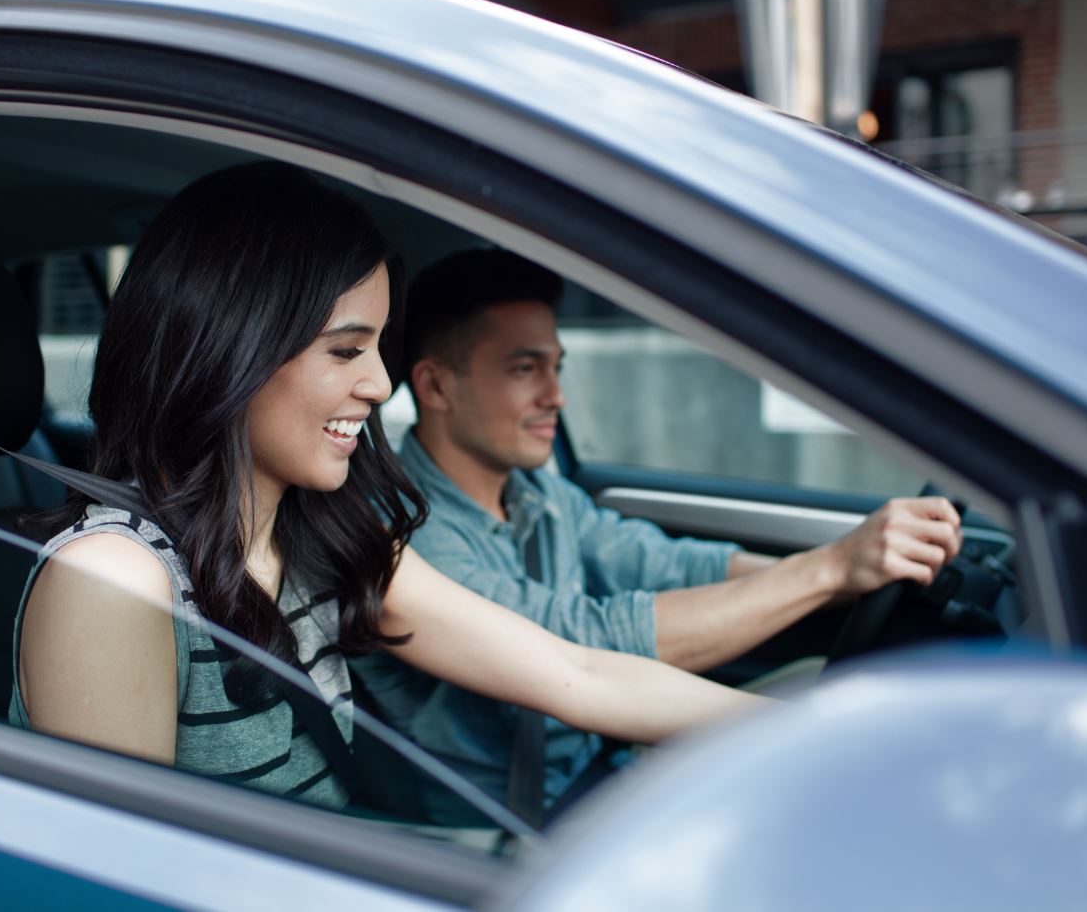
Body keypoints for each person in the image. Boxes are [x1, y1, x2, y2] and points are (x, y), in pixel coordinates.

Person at [8, 163, 764, 816]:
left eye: (378, 348)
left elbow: (577, 672)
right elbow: (117, 879)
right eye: (345, 350)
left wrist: (823, 736)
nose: (378, 384)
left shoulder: (321, 537)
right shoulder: (114, 580)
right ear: (232, 349)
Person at [352, 250, 962, 819]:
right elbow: (577, 647)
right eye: (524, 369)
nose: (556, 395)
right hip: (516, 830)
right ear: (434, 387)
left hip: (601, 773)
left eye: (556, 367)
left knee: (817, 684)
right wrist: (828, 571)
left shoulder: (537, 494)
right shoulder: (407, 535)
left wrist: (850, 571)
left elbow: (666, 563)